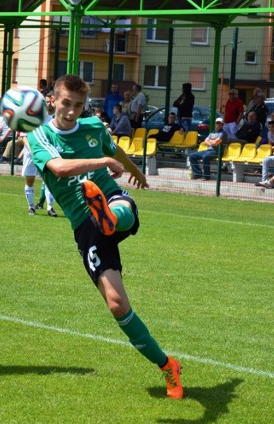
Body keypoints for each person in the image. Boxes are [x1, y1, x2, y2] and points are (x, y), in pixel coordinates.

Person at [27, 74, 183, 399]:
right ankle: (168, 365)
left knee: (118, 211)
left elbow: (117, 151)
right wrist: (102, 160)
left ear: (84, 105)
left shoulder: (94, 128)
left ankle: (111, 217)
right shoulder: (40, 136)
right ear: (53, 100)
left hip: (110, 196)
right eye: (66, 103)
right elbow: (58, 168)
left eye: (78, 105)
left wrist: (137, 172)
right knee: (116, 305)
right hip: (85, 225)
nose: (71, 111)